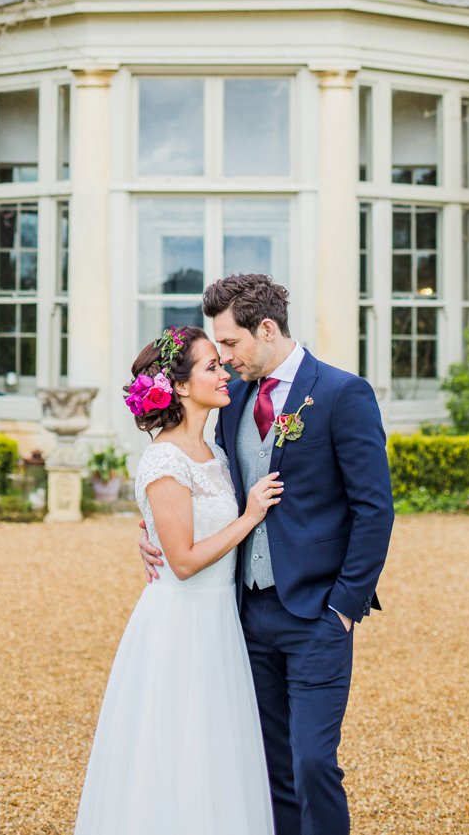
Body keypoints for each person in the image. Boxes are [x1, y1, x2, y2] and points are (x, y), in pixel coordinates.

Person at [140, 274, 394, 835]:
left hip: (317, 614)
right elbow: (206, 487)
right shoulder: (233, 403)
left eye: (229, 344)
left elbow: (374, 509)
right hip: (245, 616)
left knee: (312, 763)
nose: (224, 358)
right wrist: (153, 529)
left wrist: (344, 606)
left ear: (268, 328)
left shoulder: (340, 393)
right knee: (268, 766)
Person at [73, 324, 281, 835]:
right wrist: (249, 516)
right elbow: (183, 561)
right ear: (182, 386)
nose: (224, 370)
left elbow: (175, 530)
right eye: (212, 365)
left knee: (216, 755)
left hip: (219, 622)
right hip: (180, 625)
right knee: (175, 755)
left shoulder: (215, 451)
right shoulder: (165, 458)